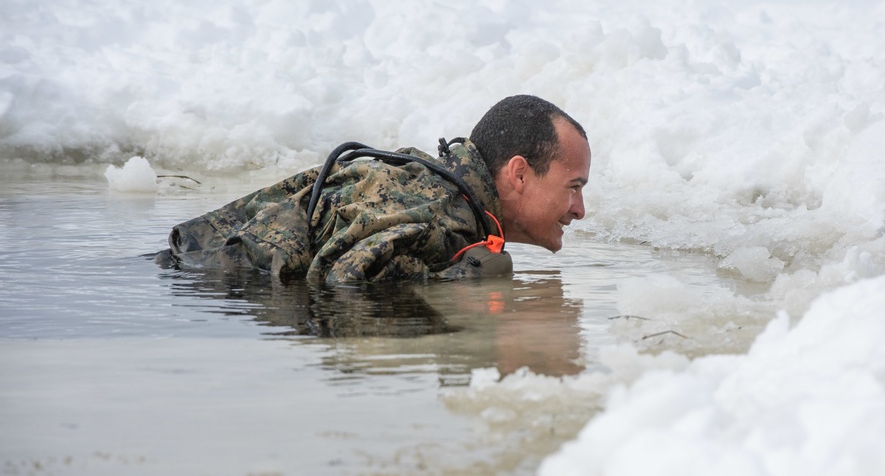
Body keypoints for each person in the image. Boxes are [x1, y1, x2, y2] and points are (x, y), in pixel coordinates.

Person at [155, 94, 590, 284]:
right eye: (573, 187)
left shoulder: (437, 184)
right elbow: (347, 282)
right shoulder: (443, 217)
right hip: (203, 285)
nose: (579, 209)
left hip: (188, 266)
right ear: (518, 174)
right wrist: (465, 279)